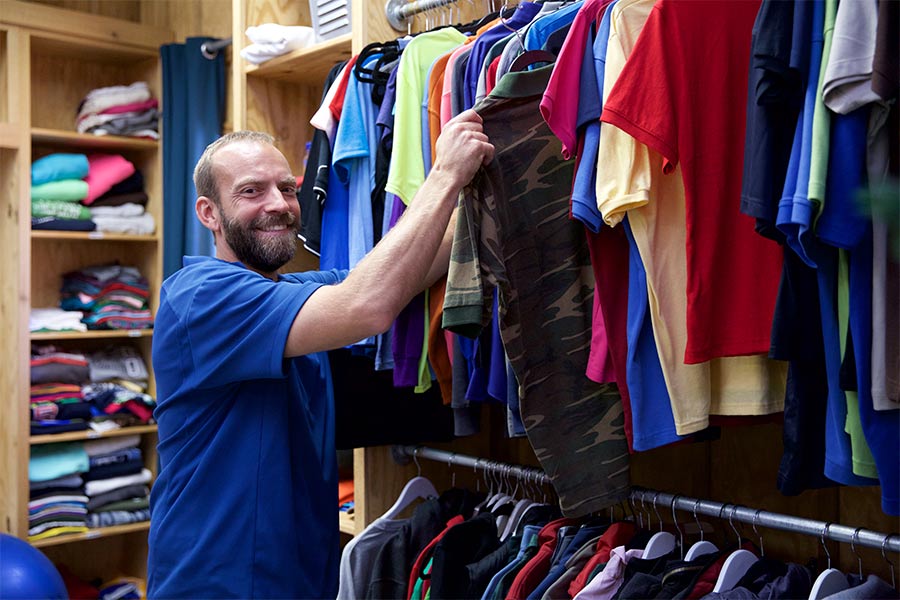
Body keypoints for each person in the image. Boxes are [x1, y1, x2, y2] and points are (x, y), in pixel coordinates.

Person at [145, 109, 493, 599]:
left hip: (299, 579)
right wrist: (445, 175)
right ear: (209, 214)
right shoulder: (201, 297)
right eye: (251, 191)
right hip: (213, 583)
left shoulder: (294, 292)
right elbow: (369, 306)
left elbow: (409, 268)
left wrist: (489, 183)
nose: (279, 204)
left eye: (287, 189)